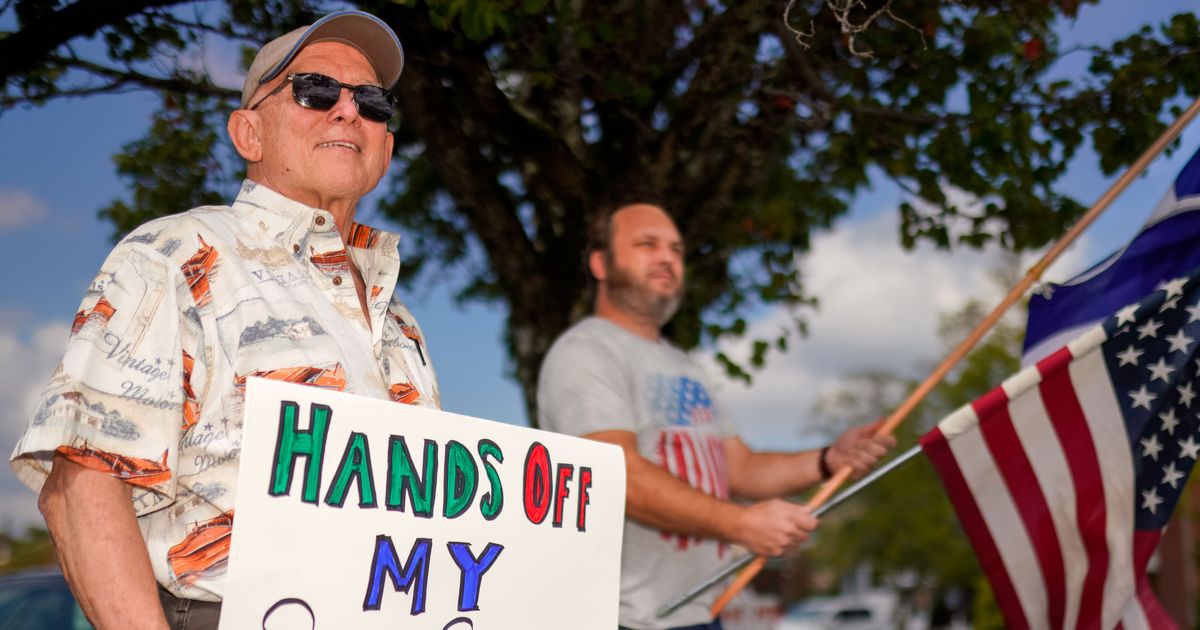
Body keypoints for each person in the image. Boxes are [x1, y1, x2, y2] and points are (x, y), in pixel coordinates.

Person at [8, 11, 439, 630]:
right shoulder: (175, 254)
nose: (349, 111)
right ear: (248, 134)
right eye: (314, 90)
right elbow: (83, 486)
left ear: (387, 147)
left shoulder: (401, 321)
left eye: (372, 101)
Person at [538, 203, 896, 630]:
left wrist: (828, 459)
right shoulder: (586, 351)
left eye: (676, 249)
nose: (667, 257)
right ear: (601, 263)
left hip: (698, 611)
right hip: (619, 618)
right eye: (646, 244)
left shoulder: (685, 367)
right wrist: (741, 524)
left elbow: (739, 468)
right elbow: (615, 474)